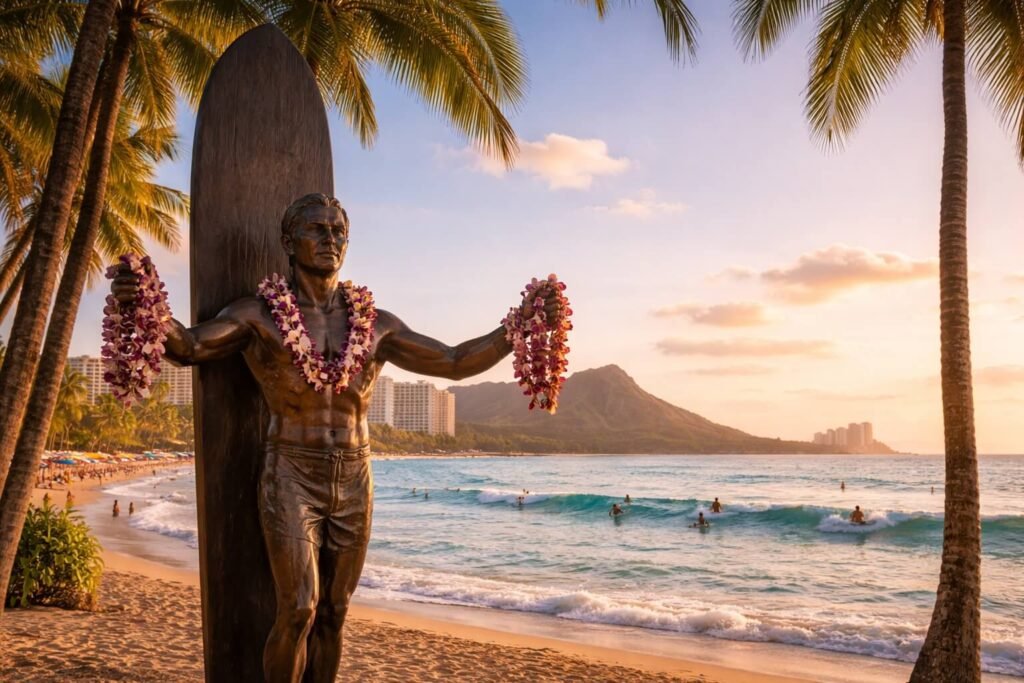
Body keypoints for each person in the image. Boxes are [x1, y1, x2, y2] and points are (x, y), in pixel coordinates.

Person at [110, 193, 561, 682]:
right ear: (289, 242)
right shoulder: (257, 315)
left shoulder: (377, 325)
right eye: (318, 229)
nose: (331, 239)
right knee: (299, 607)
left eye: (339, 231)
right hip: (290, 471)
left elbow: (453, 361)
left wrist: (520, 324)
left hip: (355, 475)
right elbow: (191, 346)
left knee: (334, 611)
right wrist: (145, 301)